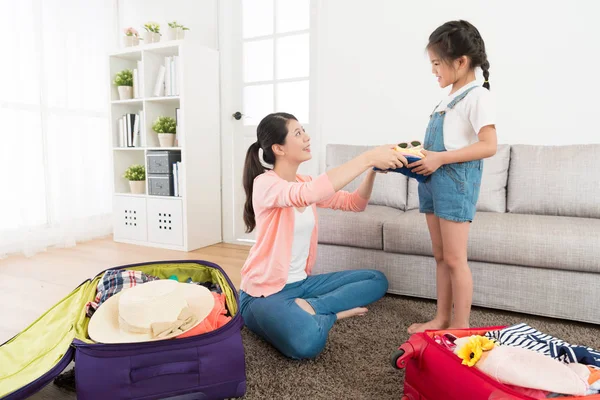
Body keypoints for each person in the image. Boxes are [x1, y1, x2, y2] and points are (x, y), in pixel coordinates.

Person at [239, 112, 405, 359]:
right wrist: (367, 156)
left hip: (303, 285)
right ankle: (329, 313)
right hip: (263, 293)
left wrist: (371, 170)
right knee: (307, 344)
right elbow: (308, 193)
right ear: (278, 148)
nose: (306, 137)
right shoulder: (266, 184)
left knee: (376, 279)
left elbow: (354, 203)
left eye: (303, 130)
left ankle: (313, 307)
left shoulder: (303, 181)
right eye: (297, 133)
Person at [406, 20, 498, 334]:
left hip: (454, 182)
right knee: (441, 255)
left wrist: (440, 158)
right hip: (432, 180)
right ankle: (441, 318)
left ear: (460, 62)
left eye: (436, 63)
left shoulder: (477, 96)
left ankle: (459, 325)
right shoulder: (448, 97)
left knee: (456, 259)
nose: (433, 71)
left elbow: (489, 145)